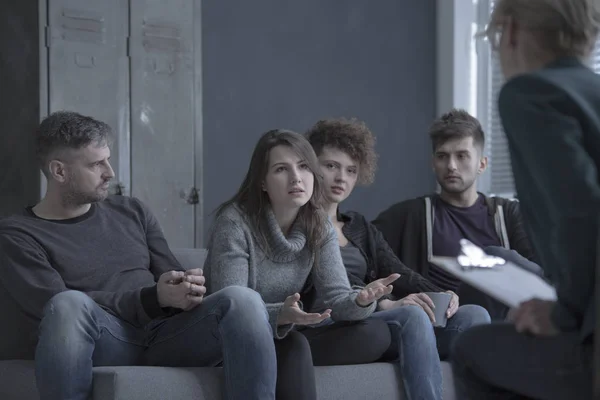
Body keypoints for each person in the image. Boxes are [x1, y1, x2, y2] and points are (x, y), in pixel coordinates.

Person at [0, 111, 279, 400]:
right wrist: (152, 298)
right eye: (97, 164)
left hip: (166, 335)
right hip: (104, 341)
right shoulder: (17, 234)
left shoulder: (131, 211)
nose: (110, 172)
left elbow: (168, 276)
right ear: (59, 171)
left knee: (243, 299)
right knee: (68, 304)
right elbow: (53, 307)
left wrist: (185, 287)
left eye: (108, 159)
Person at [451, 0, 600, 398]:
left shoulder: (531, 93)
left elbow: (579, 214)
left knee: (470, 351)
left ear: (511, 30)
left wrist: (563, 314)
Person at [303, 118, 490, 400]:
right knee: (411, 315)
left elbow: (399, 272)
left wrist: (441, 295)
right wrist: (383, 303)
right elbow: (316, 293)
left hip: (378, 319)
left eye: (351, 170)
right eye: (331, 166)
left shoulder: (359, 226)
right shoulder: (297, 224)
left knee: (475, 316)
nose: (342, 177)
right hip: (340, 322)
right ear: (310, 165)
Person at [203, 129, 397, 400]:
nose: (296, 178)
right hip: (230, 334)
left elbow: (338, 299)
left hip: (287, 328)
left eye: (304, 167)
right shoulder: (235, 222)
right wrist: (281, 315)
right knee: (293, 345)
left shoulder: (318, 224)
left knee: (375, 332)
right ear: (262, 182)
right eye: (282, 169)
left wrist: (362, 300)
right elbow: (233, 307)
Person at [372, 109, 541, 320]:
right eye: (443, 156)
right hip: (446, 323)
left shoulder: (508, 214)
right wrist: (385, 303)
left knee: (498, 258)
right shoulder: (407, 216)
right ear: (433, 163)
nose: (451, 166)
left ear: (482, 164)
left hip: (503, 323)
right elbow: (358, 263)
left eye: (462, 156)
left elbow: (539, 276)